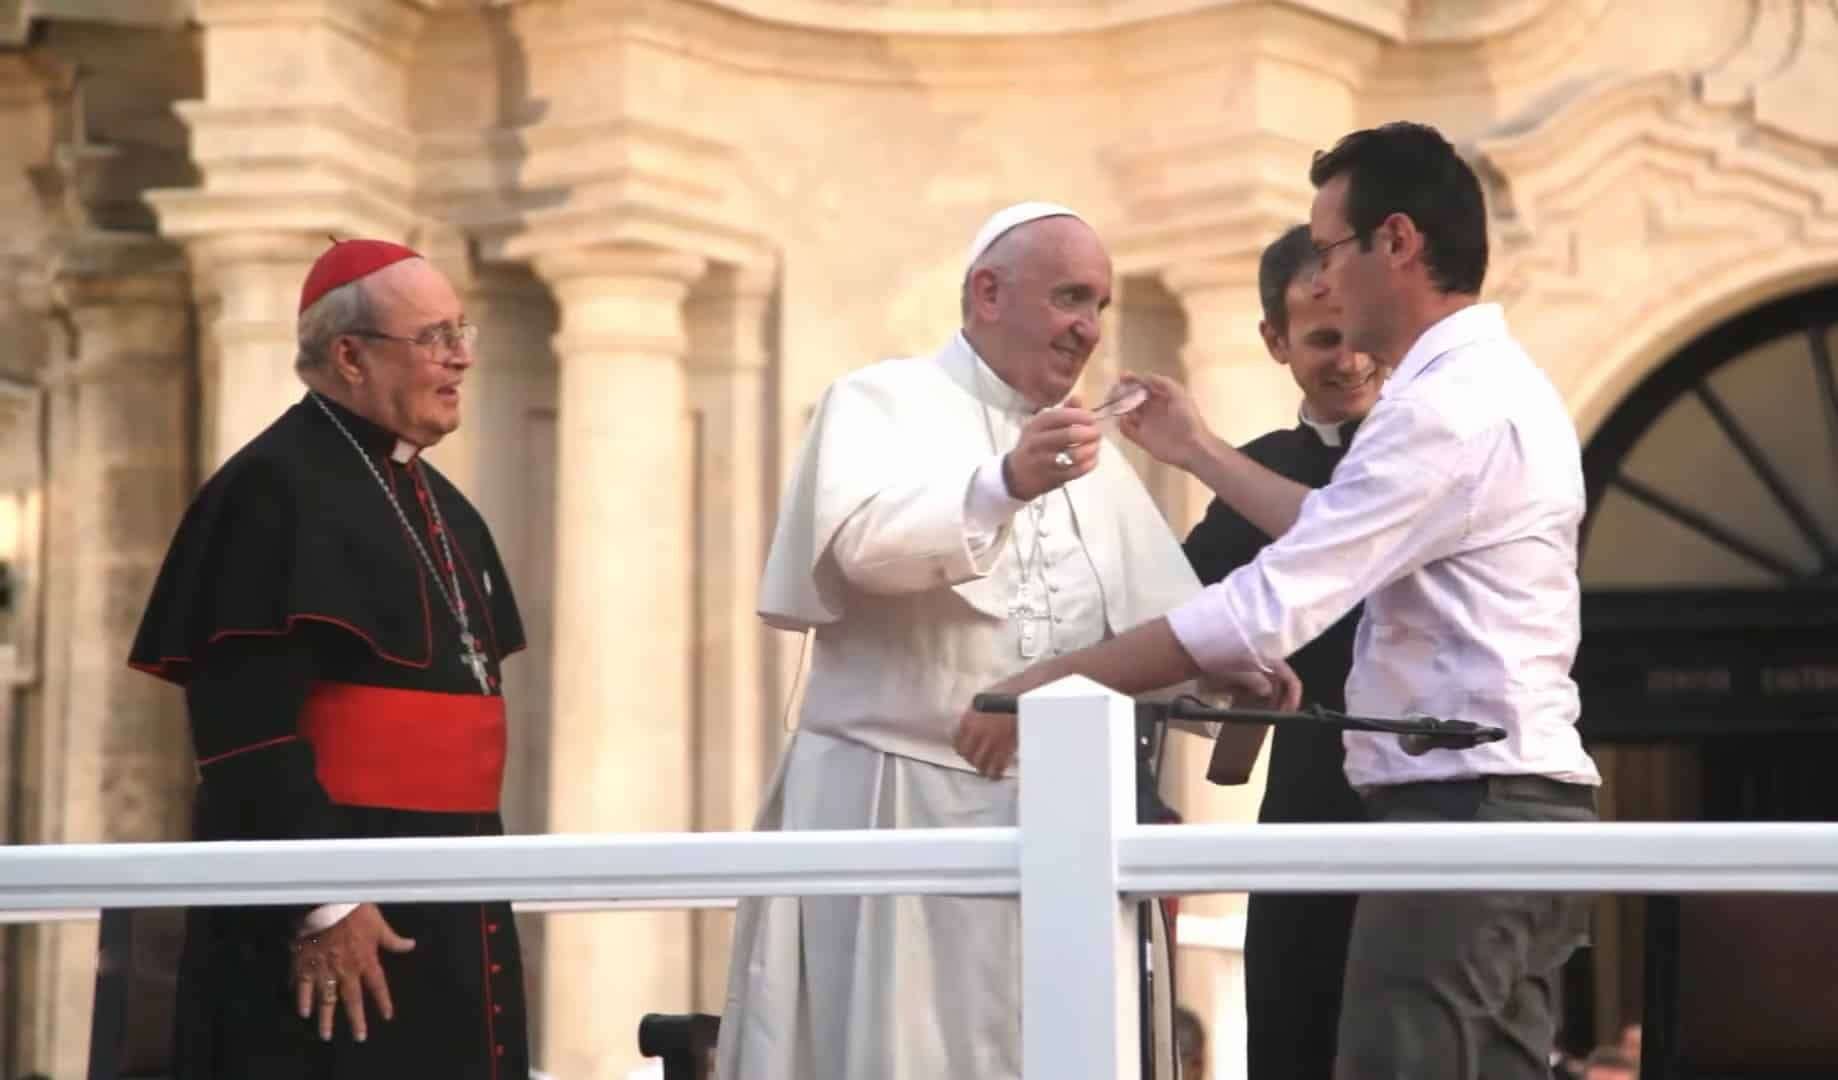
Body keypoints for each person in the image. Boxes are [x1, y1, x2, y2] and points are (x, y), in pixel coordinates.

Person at [957, 122, 1602, 1080]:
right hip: (1512, 809)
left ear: (1397, 241)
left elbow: (1258, 609)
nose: (1325, 280)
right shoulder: (1501, 385)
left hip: (1462, 816)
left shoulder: (1442, 409)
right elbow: (1332, 533)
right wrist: (1197, 451)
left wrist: (1043, 685)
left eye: (1332, 251)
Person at [719, 202, 1224, 1080]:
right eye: (1071, 297)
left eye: (1100, 305)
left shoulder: (1090, 452)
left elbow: (1154, 627)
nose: (1089, 328)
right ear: (988, 293)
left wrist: (1231, 672)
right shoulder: (878, 400)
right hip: (896, 807)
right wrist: (1001, 485)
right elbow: (858, 550)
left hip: (1066, 826)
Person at [128, 239, 530, 1079]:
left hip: (454, 885)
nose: (460, 356)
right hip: (342, 902)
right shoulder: (270, 489)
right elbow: (244, 733)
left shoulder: (446, 506)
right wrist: (326, 901)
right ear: (350, 355)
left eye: (461, 331)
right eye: (433, 337)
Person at [1181, 223, 1380, 1080]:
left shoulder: (1437, 447)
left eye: (1362, 334)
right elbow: (1176, 614)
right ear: (1277, 341)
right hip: (1303, 803)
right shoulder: (1252, 472)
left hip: (1428, 799)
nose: (1351, 360)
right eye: (1324, 339)